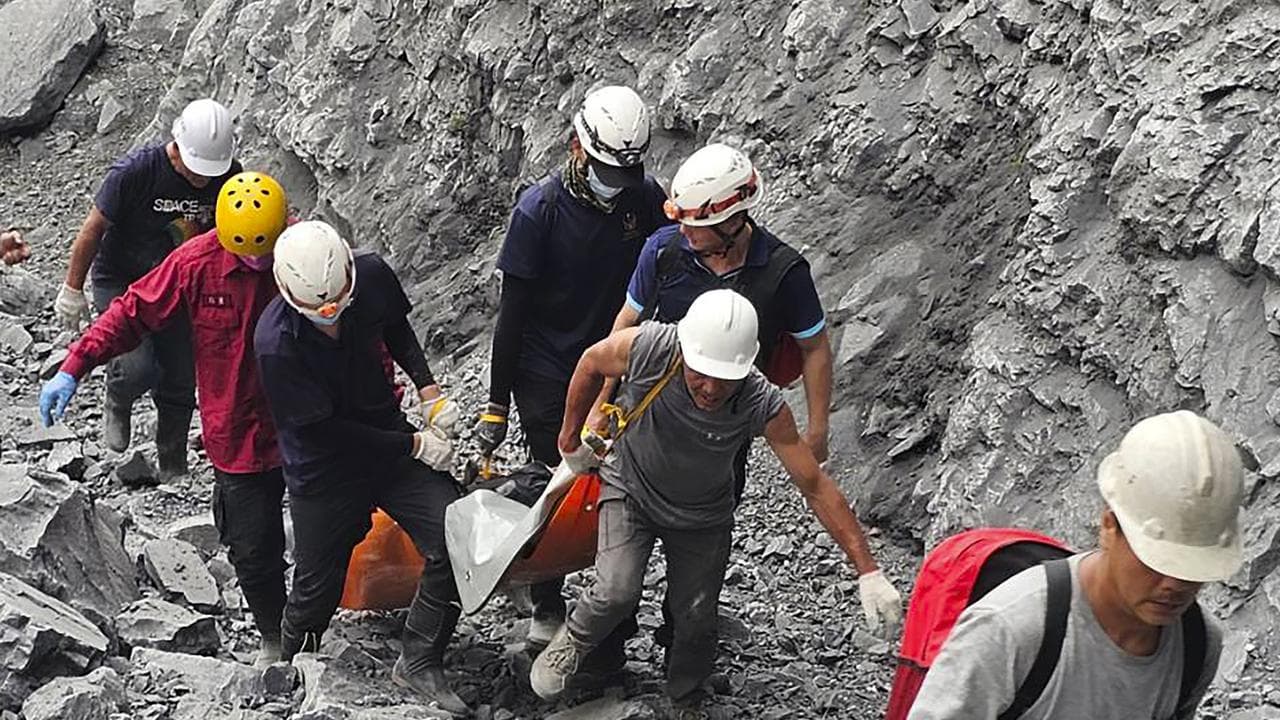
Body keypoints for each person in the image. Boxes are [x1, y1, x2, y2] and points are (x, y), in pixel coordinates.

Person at [530, 289, 901, 708]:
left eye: (724, 379)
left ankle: (687, 695)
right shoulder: (652, 347)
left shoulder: (761, 403)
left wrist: (867, 569)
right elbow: (592, 362)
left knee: (696, 616)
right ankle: (574, 641)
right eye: (700, 373)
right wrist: (569, 438)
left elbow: (814, 484)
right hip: (631, 486)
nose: (710, 388)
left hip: (702, 515)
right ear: (686, 352)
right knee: (616, 589)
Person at [38, 172, 292, 668]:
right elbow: (132, 311)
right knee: (252, 548)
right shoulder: (197, 263)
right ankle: (274, 636)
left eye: (267, 254)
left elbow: (359, 323)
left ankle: (311, 626)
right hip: (236, 432)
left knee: (327, 533)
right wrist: (76, 363)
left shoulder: (303, 252)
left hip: (307, 424)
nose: (259, 265)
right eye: (248, 255)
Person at [471, 84, 668, 652]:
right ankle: (547, 600)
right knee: (555, 480)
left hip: (616, 363)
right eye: (606, 169)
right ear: (577, 148)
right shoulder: (540, 212)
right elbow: (512, 316)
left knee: (621, 480)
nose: (616, 183)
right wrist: (495, 405)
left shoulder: (642, 200)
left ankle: (613, 614)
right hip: (547, 368)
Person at [252, 221, 468, 715]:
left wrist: (428, 390)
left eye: (337, 305)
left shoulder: (368, 276)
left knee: (457, 533)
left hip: (385, 434)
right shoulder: (276, 343)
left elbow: (396, 328)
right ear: (287, 293)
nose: (329, 318)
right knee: (316, 584)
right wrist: (415, 444)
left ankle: (419, 658)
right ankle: (292, 673)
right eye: (316, 313)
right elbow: (328, 432)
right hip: (324, 463)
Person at [908, 410, 1237, 720]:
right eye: (1157, 561)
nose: (1175, 584)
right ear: (1109, 527)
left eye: (1192, 569)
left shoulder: (1199, 645)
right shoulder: (1010, 628)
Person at [53, 98, 241, 476]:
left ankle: (172, 462)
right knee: (137, 365)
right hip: (122, 277)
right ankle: (118, 397)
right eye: (196, 169)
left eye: (209, 171)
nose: (203, 179)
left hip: (180, 283)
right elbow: (92, 231)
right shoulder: (136, 172)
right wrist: (72, 290)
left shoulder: (228, 176)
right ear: (178, 147)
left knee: (182, 376)